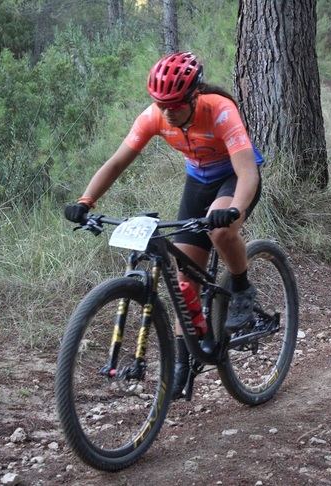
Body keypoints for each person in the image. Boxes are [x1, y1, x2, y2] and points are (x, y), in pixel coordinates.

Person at [63, 52, 263, 397]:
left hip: (235, 177)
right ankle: (186, 361)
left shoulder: (219, 110)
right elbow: (116, 162)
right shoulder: (154, 116)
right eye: (161, 104)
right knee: (185, 282)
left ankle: (242, 288)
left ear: (194, 95)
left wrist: (235, 210)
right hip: (198, 182)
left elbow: (247, 172)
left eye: (174, 105)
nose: (167, 112)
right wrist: (85, 201)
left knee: (219, 231)